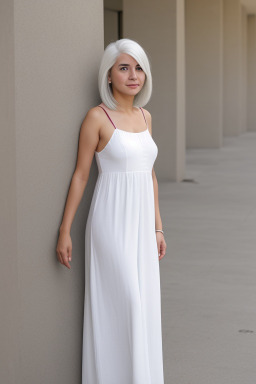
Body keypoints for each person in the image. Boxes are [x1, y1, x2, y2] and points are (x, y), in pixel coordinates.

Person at [56, 38, 167, 383]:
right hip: (110, 225)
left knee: (142, 307)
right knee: (129, 304)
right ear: (108, 75)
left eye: (138, 68)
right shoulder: (97, 117)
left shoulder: (146, 117)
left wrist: (158, 228)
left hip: (141, 227)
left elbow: (150, 175)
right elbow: (80, 175)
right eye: (124, 68)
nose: (133, 75)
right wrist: (65, 230)